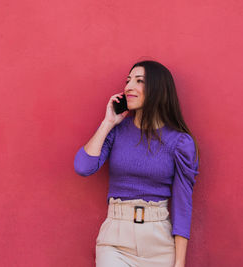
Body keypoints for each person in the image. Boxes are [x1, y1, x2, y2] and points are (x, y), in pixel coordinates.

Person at [73, 60, 200, 267]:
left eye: (139, 81)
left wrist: (179, 263)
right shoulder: (117, 131)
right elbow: (83, 167)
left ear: (158, 89)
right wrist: (107, 123)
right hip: (115, 240)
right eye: (128, 80)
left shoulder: (180, 142)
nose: (128, 86)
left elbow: (182, 204)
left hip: (159, 242)